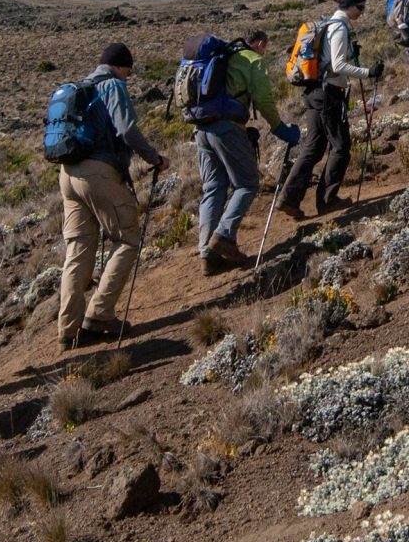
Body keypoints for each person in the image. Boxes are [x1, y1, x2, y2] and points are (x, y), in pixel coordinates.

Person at [57, 43, 169, 352]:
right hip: (99, 172)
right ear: (121, 67)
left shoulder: (80, 87)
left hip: (68, 174)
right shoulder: (112, 85)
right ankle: (100, 315)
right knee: (128, 239)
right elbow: (127, 129)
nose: (128, 78)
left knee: (78, 250)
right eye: (128, 72)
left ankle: (68, 330)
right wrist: (154, 158)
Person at [193, 32, 300, 274]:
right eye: (265, 47)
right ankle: (224, 236)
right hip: (227, 128)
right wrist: (281, 129)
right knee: (247, 184)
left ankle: (207, 255)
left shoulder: (224, 57)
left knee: (214, 187)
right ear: (260, 43)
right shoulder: (252, 59)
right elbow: (263, 99)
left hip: (201, 129)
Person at [278, 0, 384, 218]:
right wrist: (368, 72)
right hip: (328, 94)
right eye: (361, 7)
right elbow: (337, 66)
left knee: (314, 147)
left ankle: (289, 198)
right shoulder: (339, 29)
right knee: (341, 146)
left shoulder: (329, 25)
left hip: (314, 92)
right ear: (350, 6)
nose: (363, 12)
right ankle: (327, 201)